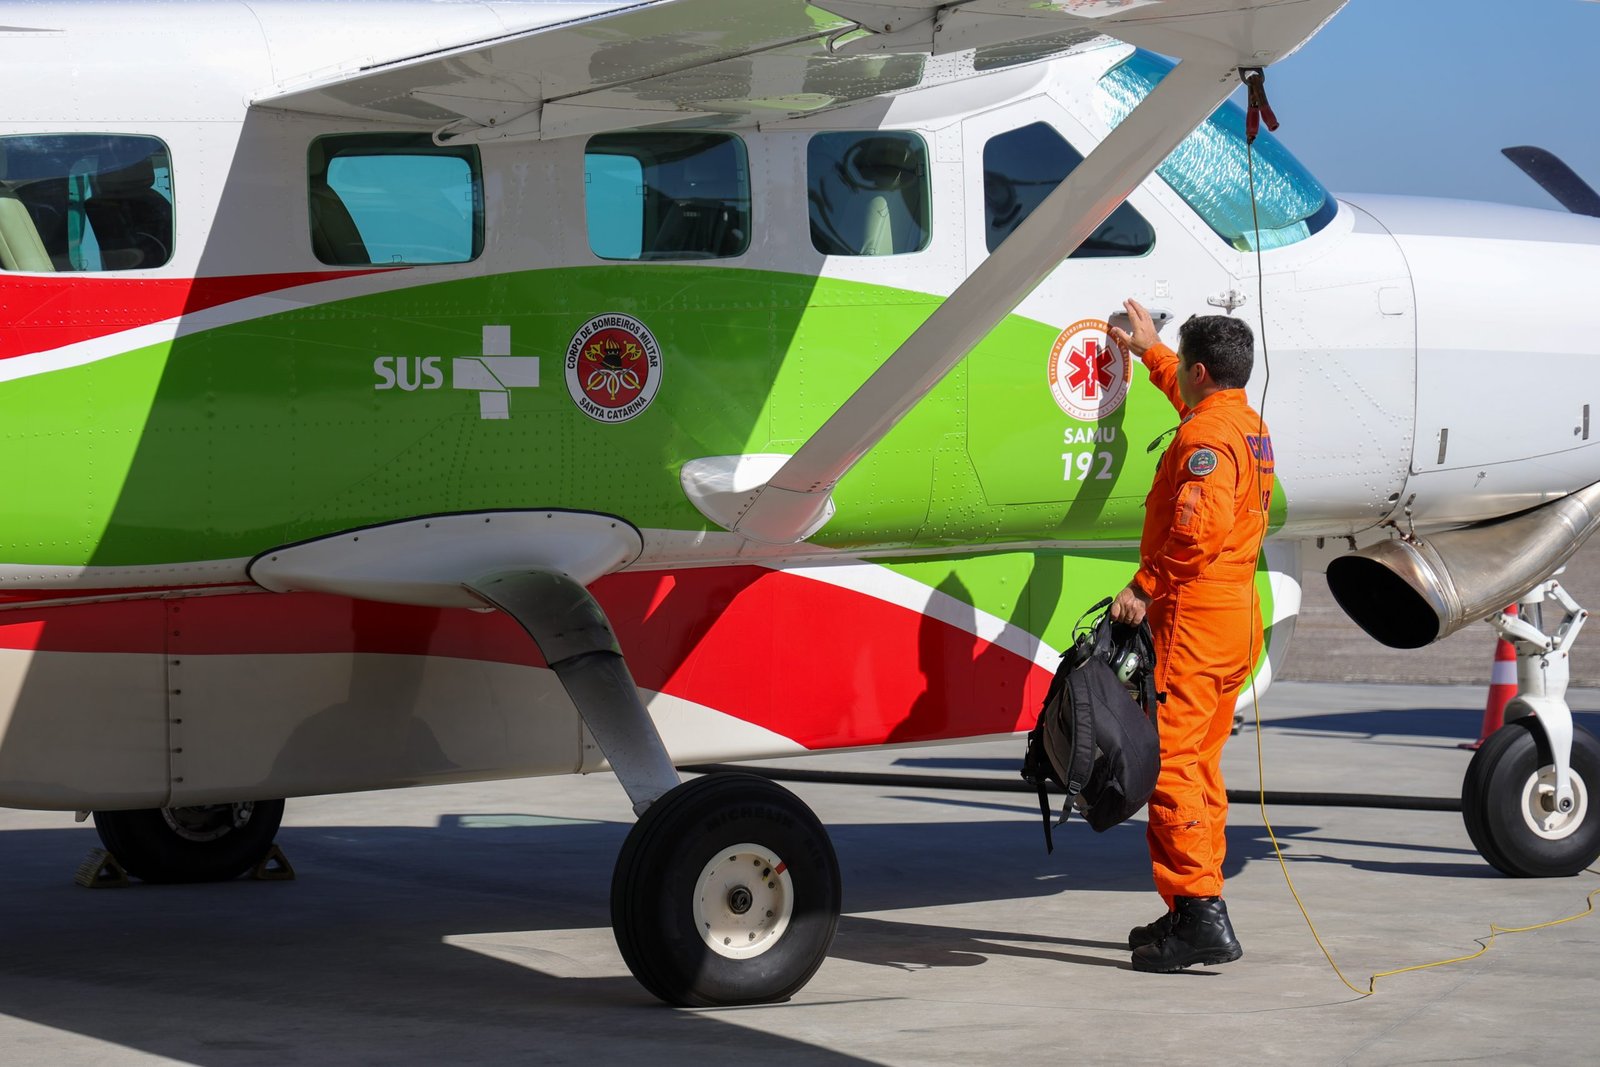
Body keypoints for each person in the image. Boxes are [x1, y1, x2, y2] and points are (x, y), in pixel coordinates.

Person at [1106, 299, 1275, 973]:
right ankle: (1186, 903)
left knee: (1172, 766)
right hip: (1235, 617)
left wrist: (1142, 589)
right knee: (1200, 765)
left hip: (1197, 620)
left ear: (1202, 369)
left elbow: (1196, 531)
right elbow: (1195, 399)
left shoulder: (1205, 439)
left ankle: (1202, 912)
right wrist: (1150, 351)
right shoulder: (1242, 421)